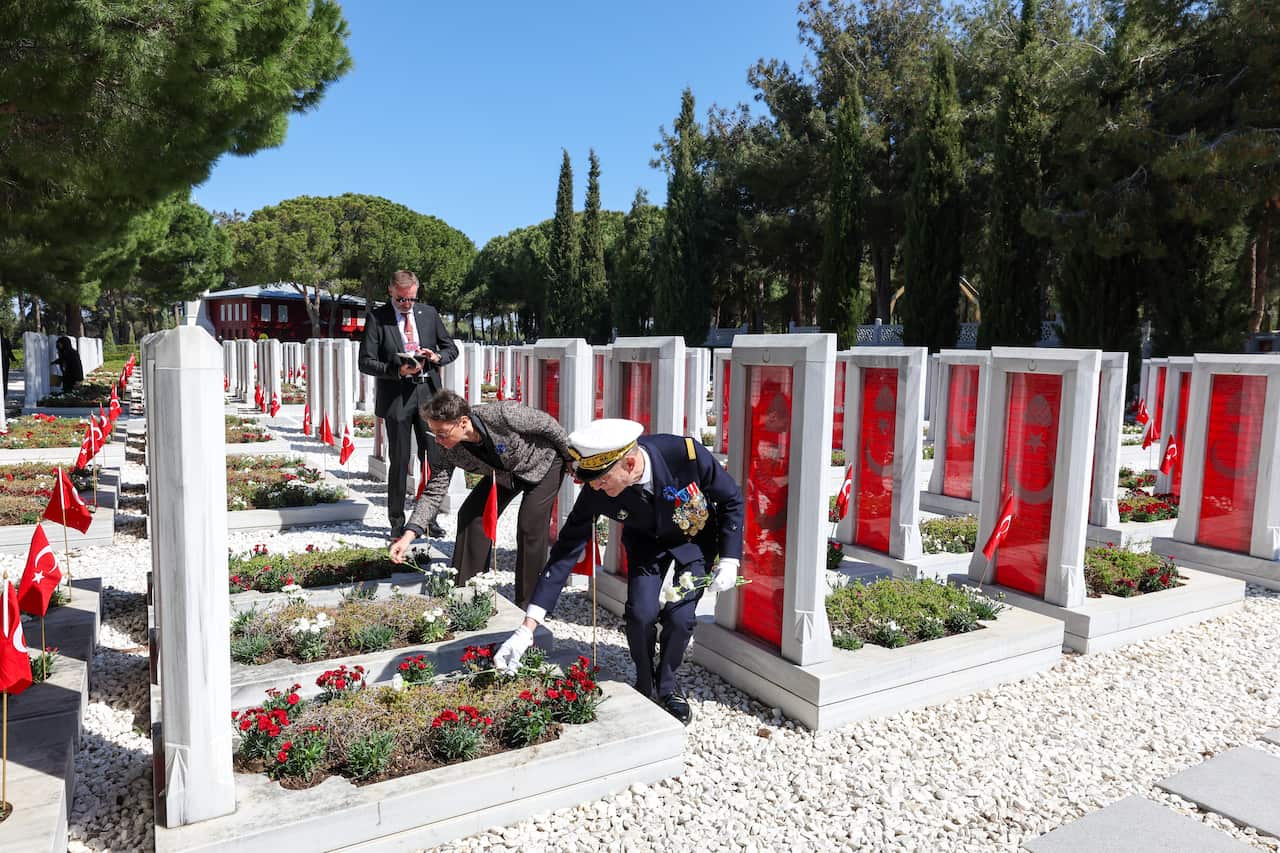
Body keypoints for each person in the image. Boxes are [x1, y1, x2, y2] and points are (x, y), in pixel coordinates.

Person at [493, 419, 745, 725]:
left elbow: (731, 498)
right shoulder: (598, 489)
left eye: (600, 480)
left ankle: (667, 685)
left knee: (680, 618)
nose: (596, 488)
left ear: (628, 463)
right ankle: (644, 680)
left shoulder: (684, 453)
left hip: (693, 537)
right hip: (644, 544)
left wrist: (730, 558)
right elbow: (565, 552)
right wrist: (527, 628)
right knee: (640, 614)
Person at [389, 390, 573, 607]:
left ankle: (531, 606)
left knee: (529, 525)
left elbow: (548, 426)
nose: (437, 440)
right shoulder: (445, 448)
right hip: (504, 474)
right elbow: (433, 492)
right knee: (471, 516)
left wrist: (570, 458)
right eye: (433, 433)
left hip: (543, 463)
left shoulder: (503, 414)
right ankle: (467, 594)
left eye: (442, 433)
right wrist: (408, 537)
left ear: (463, 422)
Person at [358, 270, 458, 539]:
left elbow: (451, 349)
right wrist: (397, 371)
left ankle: (429, 519)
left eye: (411, 299)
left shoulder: (428, 313)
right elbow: (365, 361)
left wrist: (436, 356)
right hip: (397, 397)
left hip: (428, 394)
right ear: (391, 291)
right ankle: (396, 521)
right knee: (400, 460)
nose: (406, 304)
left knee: (434, 459)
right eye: (401, 299)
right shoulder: (377, 318)